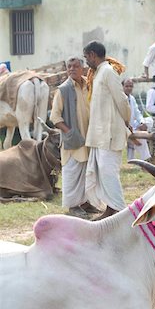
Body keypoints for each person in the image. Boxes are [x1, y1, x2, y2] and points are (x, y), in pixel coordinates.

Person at [83, 41, 131, 220]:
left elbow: (122, 100)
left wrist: (126, 120)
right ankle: (111, 209)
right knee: (102, 171)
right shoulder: (98, 73)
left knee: (108, 170)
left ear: (93, 55)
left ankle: (119, 211)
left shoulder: (108, 72)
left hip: (110, 132)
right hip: (99, 133)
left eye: (86, 57)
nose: (86, 61)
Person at [50, 56, 96, 217]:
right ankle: (72, 206)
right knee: (72, 172)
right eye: (69, 67)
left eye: (75, 66)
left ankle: (84, 203)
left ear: (82, 68)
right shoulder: (63, 89)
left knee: (86, 173)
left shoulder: (89, 85)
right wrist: (69, 132)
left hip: (89, 137)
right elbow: (55, 117)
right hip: (73, 139)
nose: (71, 69)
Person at [122, 78, 152, 162]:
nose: (129, 88)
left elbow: (137, 113)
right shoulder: (120, 99)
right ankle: (146, 160)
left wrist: (142, 123)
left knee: (149, 121)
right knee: (141, 140)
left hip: (132, 127)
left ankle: (136, 159)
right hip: (122, 129)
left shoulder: (132, 98)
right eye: (127, 86)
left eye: (131, 86)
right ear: (122, 87)